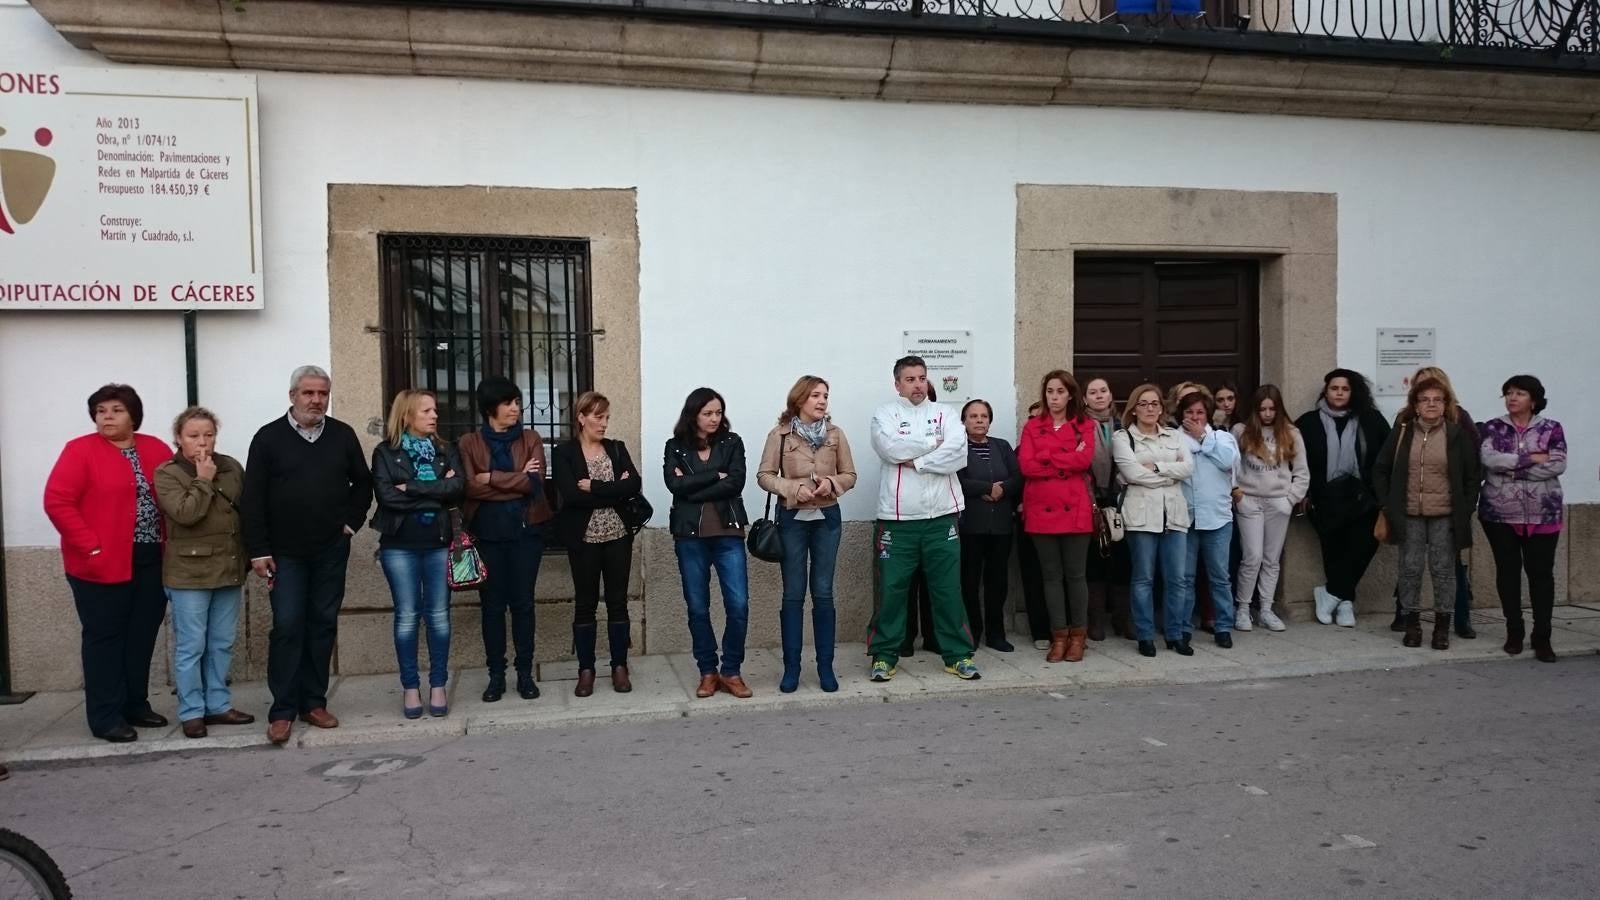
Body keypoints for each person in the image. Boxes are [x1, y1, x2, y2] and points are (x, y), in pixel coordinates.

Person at [242, 365, 374, 745]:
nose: (316, 400)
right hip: (284, 554)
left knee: (322, 623)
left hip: (330, 550)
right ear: (292, 396)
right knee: (287, 625)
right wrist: (258, 549)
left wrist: (351, 523)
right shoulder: (268, 439)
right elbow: (252, 498)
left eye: (322, 393)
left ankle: (314, 703)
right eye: (308, 393)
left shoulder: (342, 435)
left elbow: (362, 484)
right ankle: (282, 710)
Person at [44, 384, 173, 743]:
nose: (107, 417)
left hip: (150, 558)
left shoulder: (155, 448)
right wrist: (92, 547)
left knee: (142, 634)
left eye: (116, 410)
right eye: (101, 411)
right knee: (105, 638)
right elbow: (58, 502)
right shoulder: (80, 451)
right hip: (98, 563)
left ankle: (134, 703)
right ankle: (105, 716)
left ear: (133, 415)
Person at [867, 356, 981, 682]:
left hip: (941, 519)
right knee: (892, 591)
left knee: (947, 591)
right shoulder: (885, 414)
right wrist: (934, 445)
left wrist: (916, 460)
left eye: (921, 378)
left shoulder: (944, 412)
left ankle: (958, 655)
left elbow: (959, 454)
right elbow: (890, 449)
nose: (917, 385)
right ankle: (884, 656)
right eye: (910, 379)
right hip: (897, 521)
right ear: (898, 384)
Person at [153, 407, 253, 739]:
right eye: (193, 435)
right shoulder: (167, 472)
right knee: (191, 645)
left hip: (228, 566)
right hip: (188, 573)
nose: (202, 442)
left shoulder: (231, 467)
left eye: (208, 434)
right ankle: (192, 711)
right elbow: (185, 513)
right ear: (178, 438)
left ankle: (219, 705)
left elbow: (245, 512)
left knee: (222, 642)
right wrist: (203, 480)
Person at [757, 376, 857, 693]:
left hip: (827, 516)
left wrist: (832, 483)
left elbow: (850, 474)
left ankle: (825, 668)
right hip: (792, 519)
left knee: (824, 591)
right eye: (815, 395)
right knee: (793, 593)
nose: (822, 401)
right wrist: (792, 488)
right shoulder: (780, 435)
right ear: (799, 399)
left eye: (825, 395)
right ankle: (792, 669)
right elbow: (764, 476)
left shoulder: (835, 435)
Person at [457, 377, 553, 703]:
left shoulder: (530, 438)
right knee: (492, 607)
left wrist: (493, 479)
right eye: (508, 403)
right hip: (486, 534)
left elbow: (535, 483)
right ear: (489, 408)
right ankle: (495, 675)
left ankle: (524, 673)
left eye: (517, 402)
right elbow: (470, 488)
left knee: (524, 604)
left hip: (527, 532)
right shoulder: (469, 442)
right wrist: (516, 479)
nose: (515, 408)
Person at [370, 390, 465, 719]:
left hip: (439, 543)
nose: (434, 416)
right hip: (399, 546)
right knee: (408, 617)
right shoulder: (385, 453)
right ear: (407, 416)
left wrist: (410, 488)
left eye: (435, 410)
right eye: (426, 411)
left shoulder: (446, 450)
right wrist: (436, 491)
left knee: (439, 616)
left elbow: (458, 488)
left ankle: (437, 684)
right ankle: (411, 687)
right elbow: (386, 498)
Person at [1373, 377, 1480, 650]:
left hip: (1445, 514)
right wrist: (1387, 504)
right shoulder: (1402, 433)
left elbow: (1471, 476)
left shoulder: (1456, 435)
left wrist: (1466, 509)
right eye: (1425, 400)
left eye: (1437, 400)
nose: (1431, 404)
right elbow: (1381, 468)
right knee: (1410, 569)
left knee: (1444, 571)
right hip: (1409, 513)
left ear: (1445, 405)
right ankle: (1412, 624)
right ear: (1415, 406)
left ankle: (1442, 627)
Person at [664, 387, 753, 699]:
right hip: (690, 537)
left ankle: (731, 670)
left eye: (718, 412)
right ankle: (707, 671)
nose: (715, 419)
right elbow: (673, 484)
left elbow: (736, 481)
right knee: (698, 607)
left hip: (728, 533)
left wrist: (692, 489)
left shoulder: (732, 443)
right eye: (708, 413)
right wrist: (715, 475)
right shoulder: (675, 446)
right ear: (694, 415)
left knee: (738, 605)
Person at [553, 391, 641, 698]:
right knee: (585, 603)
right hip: (584, 538)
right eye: (597, 417)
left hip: (618, 534)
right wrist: (615, 489)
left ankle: (619, 666)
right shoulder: (564, 453)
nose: (603, 423)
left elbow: (634, 486)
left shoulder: (616, 449)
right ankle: (586, 669)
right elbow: (571, 495)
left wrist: (596, 486)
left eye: (606, 417)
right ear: (581, 417)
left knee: (618, 602)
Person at [1478, 375, 1566, 662]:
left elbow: (1558, 463)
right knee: (1508, 573)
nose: (1512, 398)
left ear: (1534, 399)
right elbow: (1490, 460)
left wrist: (1513, 466)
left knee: (1541, 576)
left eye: (1520, 393)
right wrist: (1531, 458)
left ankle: (1543, 637)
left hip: (1543, 512)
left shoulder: (1551, 428)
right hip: (1500, 514)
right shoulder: (1493, 427)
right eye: (1508, 393)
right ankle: (1514, 630)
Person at [1293, 369, 1391, 628]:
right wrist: (1301, 492)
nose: (1338, 393)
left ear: (1353, 392)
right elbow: (1295, 460)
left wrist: (1383, 496)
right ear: (1325, 391)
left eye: (1344, 389)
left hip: (1364, 500)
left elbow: (1386, 458)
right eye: (1334, 388)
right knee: (1334, 552)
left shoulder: (1372, 420)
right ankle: (1345, 603)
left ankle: (1332, 593)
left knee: (1363, 547)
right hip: (1323, 499)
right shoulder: (1308, 422)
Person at [1017, 371, 1096, 663]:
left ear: (1071, 394)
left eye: (1060, 391)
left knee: (1075, 576)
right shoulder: (1032, 426)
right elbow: (1026, 466)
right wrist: (1064, 462)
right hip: (1041, 509)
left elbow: (1084, 460)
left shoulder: (1083, 425)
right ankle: (1058, 636)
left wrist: (1048, 458)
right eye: (1049, 391)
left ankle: (1078, 636)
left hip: (1074, 509)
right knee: (1050, 577)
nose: (1054, 397)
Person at [1112, 384, 1194, 657]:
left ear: (1162, 408)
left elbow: (1188, 468)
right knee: (1143, 579)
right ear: (1134, 409)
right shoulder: (1123, 438)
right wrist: (1171, 474)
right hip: (1141, 518)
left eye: (1155, 404)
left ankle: (1175, 634)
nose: (1150, 409)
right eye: (1144, 404)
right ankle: (1145, 635)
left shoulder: (1174, 435)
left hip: (1174, 516)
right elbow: (1133, 473)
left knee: (1177, 579)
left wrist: (1157, 467)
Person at [1230, 385, 1309, 633]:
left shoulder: (1291, 433)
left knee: (1271, 559)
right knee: (1251, 556)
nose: (1267, 414)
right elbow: (1229, 466)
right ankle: (1243, 608)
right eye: (1262, 408)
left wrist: (1289, 500)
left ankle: (1266, 608)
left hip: (1278, 503)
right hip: (1249, 500)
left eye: (1272, 408)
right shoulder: (1240, 431)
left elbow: (1302, 472)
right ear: (1255, 409)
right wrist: (1237, 494)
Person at [958, 398, 1022, 653]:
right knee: (969, 581)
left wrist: (1002, 489)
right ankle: (972, 632)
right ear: (964, 421)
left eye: (984, 416)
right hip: (971, 526)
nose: (979, 420)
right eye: (973, 416)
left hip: (1001, 526)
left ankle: (996, 634)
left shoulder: (1002, 446)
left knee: (998, 581)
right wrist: (986, 488)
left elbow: (1018, 477)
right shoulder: (958, 447)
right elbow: (957, 479)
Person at [1176, 390, 1239, 648]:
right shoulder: (1174, 438)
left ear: (1208, 414)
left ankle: (1224, 626)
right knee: (1185, 577)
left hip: (1218, 518)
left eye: (1200, 412)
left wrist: (1203, 437)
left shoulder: (1222, 438)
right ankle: (1182, 626)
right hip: (1186, 518)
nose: (1194, 417)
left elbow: (1228, 462)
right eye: (1189, 412)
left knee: (1219, 576)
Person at [1081, 378, 1131, 642]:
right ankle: (1096, 619)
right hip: (1091, 499)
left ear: (1111, 395)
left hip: (1123, 500)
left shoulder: (1124, 424)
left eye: (1103, 391)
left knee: (1124, 560)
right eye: (1093, 392)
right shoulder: (1080, 425)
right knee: (1094, 561)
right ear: (1085, 398)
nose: (1099, 396)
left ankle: (1123, 617)